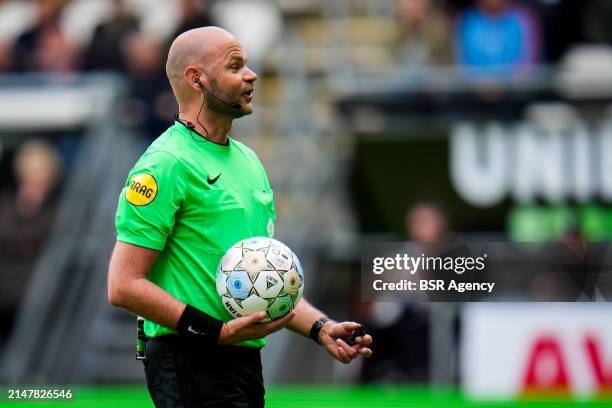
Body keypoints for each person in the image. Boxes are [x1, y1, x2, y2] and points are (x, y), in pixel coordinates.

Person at [107, 27, 372, 407]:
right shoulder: (165, 165)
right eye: (235, 66)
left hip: (243, 360)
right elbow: (123, 284)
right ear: (196, 79)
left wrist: (320, 327)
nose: (251, 75)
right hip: (189, 359)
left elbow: (259, 280)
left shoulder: (249, 161)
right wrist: (213, 331)